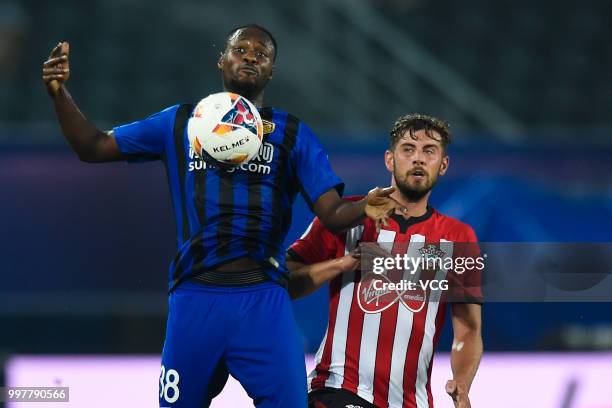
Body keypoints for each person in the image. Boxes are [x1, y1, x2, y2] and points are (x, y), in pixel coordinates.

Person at [42, 24, 401, 408]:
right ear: (222, 60)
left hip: (263, 299)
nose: (250, 57)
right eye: (241, 49)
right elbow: (93, 146)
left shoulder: (292, 133)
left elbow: (331, 213)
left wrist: (364, 206)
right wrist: (59, 93)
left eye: (261, 54)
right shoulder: (180, 123)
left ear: (271, 70)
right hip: (196, 297)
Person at [287, 114, 484, 408]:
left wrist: (463, 385)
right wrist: (341, 264)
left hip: (411, 402)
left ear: (443, 165)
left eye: (429, 150)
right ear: (390, 160)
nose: (418, 158)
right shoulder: (346, 217)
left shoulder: (458, 237)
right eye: (408, 149)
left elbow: (468, 329)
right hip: (338, 389)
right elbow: (286, 281)